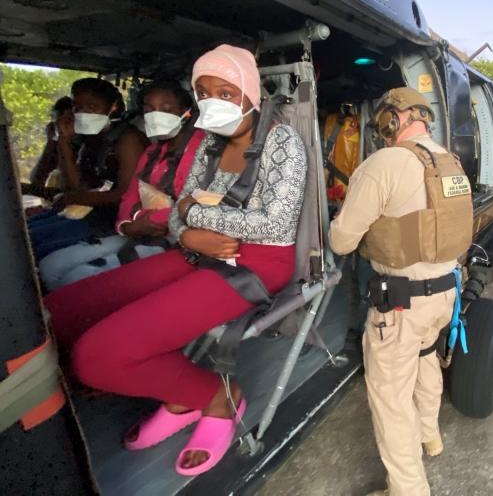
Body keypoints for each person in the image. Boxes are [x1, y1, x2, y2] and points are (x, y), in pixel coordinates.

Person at [45, 45, 307, 476]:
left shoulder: (282, 142)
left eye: (226, 91)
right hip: (198, 250)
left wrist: (192, 216)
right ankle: (180, 392)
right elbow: (177, 213)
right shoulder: (207, 144)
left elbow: (274, 226)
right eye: (204, 93)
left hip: (254, 263)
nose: (213, 102)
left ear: (250, 91)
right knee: (62, 312)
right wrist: (190, 231)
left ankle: (217, 396)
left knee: (97, 357)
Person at [329, 87, 473, 496]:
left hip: (402, 302)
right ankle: (430, 436)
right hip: (445, 294)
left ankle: (409, 490)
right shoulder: (449, 161)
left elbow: (341, 241)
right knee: (426, 359)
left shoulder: (385, 162)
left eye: (383, 117)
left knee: (390, 398)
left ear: (397, 116)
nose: (380, 127)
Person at [38, 80, 203, 290]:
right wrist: (127, 224)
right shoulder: (153, 152)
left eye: (166, 109)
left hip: (175, 238)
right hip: (137, 230)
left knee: (77, 277)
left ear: (187, 112)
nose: (155, 115)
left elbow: (198, 202)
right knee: (51, 267)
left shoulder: (201, 149)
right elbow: (131, 195)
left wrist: (146, 221)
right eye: (148, 109)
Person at [27, 78, 149, 259]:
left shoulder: (127, 139)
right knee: (26, 232)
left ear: (113, 107)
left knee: (36, 245)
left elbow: (125, 195)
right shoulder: (90, 140)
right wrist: (63, 142)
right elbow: (76, 186)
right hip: (89, 211)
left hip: (114, 219)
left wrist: (74, 197)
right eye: (77, 107)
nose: (83, 113)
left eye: (92, 107)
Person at [22, 96, 76, 197]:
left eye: (67, 122)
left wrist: (29, 189)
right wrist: (50, 142)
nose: (60, 127)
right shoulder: (57, 145)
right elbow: (37, 180)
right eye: (57, 123)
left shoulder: (85, 148)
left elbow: (75, 193)